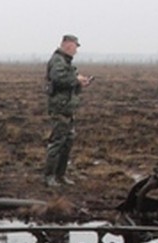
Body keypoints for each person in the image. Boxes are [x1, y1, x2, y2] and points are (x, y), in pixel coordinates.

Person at [44, 34, 93, 187]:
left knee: (67, 143)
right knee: (57, 142)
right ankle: (49, 177)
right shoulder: (58, 61)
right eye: (74, 47)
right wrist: (75, 80)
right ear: (67, 45)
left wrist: (80, 81)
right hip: (60, 109)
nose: (76, 51)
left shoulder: (66, 62)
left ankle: (61, 175)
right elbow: (58, 79)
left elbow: (69, 78)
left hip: (68, 109)